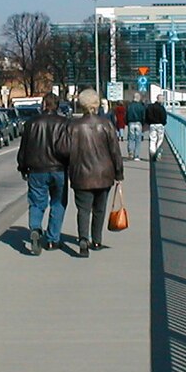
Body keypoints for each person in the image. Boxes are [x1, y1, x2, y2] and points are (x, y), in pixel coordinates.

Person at [68, 88, 124, 257]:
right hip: (103, 174)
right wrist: (119, 173)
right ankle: (97, 239)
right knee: (100, 209)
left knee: (83, 209)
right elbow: (115, 151)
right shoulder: (106, 124)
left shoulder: (73, 126)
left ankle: (83, 238)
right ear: (97, 103)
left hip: (81, 175)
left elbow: (65, 151)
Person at [16, 92, 70, 256]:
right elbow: (69, 148)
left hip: (36, 169)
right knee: (58, 203)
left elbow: (24, 148)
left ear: (43, 105)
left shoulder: (32, 123)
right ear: (57, 106)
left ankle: (36, 228)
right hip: (59, 169)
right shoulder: (64, 123)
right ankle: (53, 239)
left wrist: (23, 167)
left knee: (37, 202)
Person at [144, 94, 168, 161]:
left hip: (152, 125)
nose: (163, 100)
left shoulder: (150, 107)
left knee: (152, 139)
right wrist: (163, 123)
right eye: (162, 99)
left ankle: (152, 151)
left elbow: (147, 116)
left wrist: (149, 122)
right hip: (160, 125)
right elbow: (164, 118)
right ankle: (158, 151)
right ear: (160, 99)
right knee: (160, 139)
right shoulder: (162, 108)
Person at [125, 93, 146, 161]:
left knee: (131, 138)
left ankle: (130, 152)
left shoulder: (129, 106)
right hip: (138, 123)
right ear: (138, 98)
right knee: (138, 140)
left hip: (131, 123)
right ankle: (136, 156)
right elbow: (143, 116)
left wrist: (127, 122)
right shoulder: (141, 106)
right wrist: (143, 123)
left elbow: (126, 115)